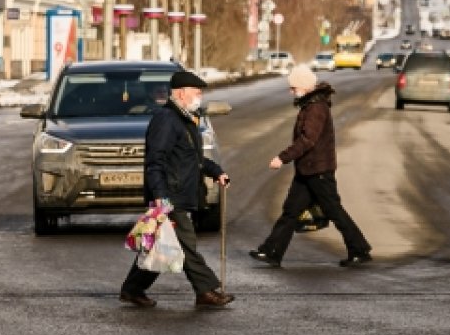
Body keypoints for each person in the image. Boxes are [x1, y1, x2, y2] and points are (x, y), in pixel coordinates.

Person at [120, 70, 234, 308]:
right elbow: (155, 161)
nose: (199, 97)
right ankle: (206, 291)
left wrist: (216, 171)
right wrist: (161, 196)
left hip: (179, 193)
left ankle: (133, 289)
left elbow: (193, 157)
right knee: (185, 244)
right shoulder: (166, 119)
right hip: (171, 196)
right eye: (196, 92)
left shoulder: (185, 119)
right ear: (181, 94)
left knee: (161, 244)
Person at [248, 65, 373, 268]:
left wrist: (282, 158)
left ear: (304, 87)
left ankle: (359, 249)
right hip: (308, 170)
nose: (291, 91)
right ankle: (272, 251)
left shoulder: (316, 108)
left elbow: (308, 140)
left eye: (293, 87)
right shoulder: (311, 104)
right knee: (290, 211)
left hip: (318, 171)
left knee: (334, 210)